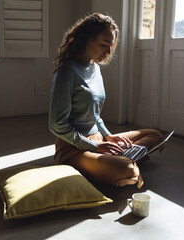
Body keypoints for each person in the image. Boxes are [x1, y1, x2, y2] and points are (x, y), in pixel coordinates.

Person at [49, 13, 163, 188]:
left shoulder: (94, 67)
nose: (109, 52)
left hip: (99, 140)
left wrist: (108, 137)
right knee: (128, 170)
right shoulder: (66, 71)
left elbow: (95, 114)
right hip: (74, 148)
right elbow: (56, 124)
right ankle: (123, 161)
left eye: (111, 46)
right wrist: (94, 147)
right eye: (104, 45)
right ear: (87, 39)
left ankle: (121, 158)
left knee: (155, 135)